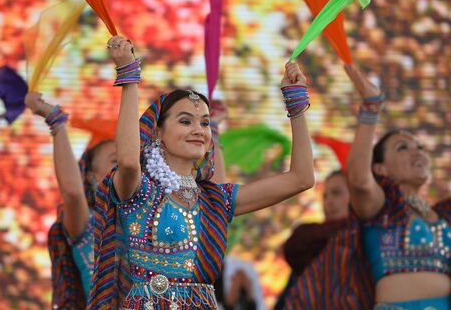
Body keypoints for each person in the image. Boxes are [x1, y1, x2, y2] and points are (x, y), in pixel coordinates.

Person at [284, 61, 451, 310]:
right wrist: (371, 106)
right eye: (403, 148)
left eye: (420, 147)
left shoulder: (449, 215)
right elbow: (359, 179)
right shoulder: (379, 212)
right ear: (380, 168)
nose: (417, 152)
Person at [87, 36, 315, 309]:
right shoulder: (140, 190)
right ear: (158, 131)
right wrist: (129, 77)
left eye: (205, 123)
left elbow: (301, 179)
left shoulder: (215, 199)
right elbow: (127, 161)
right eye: (186, 121)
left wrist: (296, 107)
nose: (199, 130)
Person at [24, 92, 117, 309]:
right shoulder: (90, 224)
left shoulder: (154, 216)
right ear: (91, 176)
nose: (126, 164)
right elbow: (73, 193)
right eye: (115, 160)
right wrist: (56, 121)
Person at [274, 170, 349, 309]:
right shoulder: (312, 239)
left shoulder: (363, 234)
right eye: (325, 196)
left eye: (336, 193)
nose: (329, 201)